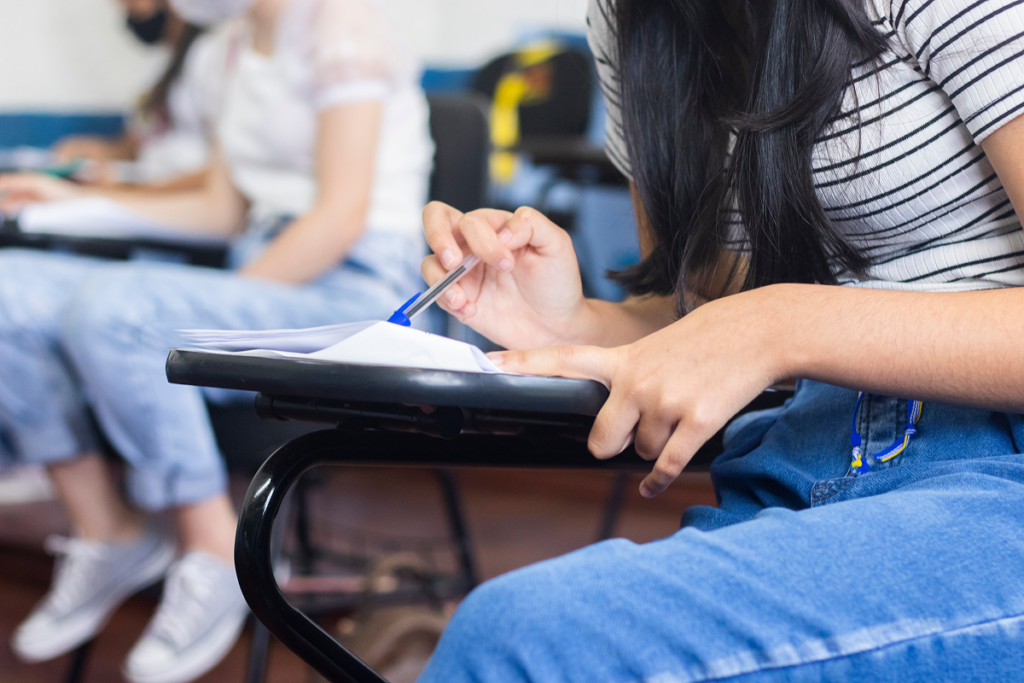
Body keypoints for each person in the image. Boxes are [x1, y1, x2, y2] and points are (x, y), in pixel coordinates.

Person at [414, 0, 1024, 679]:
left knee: (520, 642)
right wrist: (569, 325)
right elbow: (709, 321)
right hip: (792, 465)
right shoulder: (631, 19)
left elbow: (759, 328)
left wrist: (783, 322)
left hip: (997, 482)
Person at [0, 0, 431, 680]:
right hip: (262, 268)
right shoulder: (231, 44)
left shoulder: (339, 23)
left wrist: (208, 327)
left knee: (118, 310)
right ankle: (106, 528)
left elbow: (339, 216)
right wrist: (66, 200)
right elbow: (220, 209)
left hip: (356, 290)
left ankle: (216, 550)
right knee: (8, 288)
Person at [52, 0, 220, 188]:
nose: (122, 6)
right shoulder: (157, 66)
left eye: (131, 3)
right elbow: (139, 145)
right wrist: (99, 153)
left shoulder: (213, 57)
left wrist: (130, 188)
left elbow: (227, 174)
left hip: (178, 202)